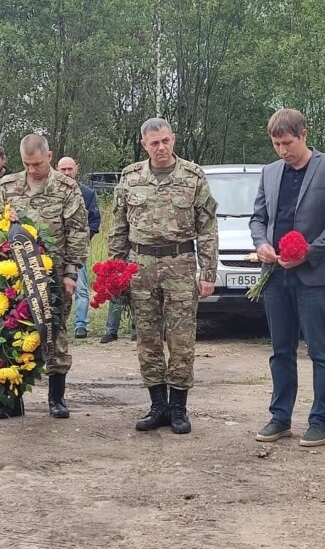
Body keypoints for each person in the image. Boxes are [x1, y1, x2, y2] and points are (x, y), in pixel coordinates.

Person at [249, 109, 325, 447]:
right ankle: (280, 417)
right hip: (275, 275)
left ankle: (321, 420)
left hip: (313, 275)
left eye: (288, 143)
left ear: (304, 134)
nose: (282, 150)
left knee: (321, 350)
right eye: (276, 144)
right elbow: (258, 217)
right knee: (280, 350)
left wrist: (308, 251)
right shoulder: (269, 172)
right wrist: (262, 243)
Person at [108, 117, 218, 435]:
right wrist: (115, 272)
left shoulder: (193, 175)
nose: (161, 147)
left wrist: (208, 271)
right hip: (140, 265)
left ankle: (179, 408)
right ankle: (158, 406)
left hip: (180, 262)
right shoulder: (130, 177)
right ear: (144, 144)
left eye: (165, 141)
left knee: (182, 338)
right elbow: (118, 228)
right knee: (148, 338)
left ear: (174, 139)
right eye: (154, 143)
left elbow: (207, 228)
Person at [0, 134, 88, 419]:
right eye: (27, 164)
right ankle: (11, 399)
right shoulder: (8, 186)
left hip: (53, 277)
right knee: (13, 333)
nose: (32, 170)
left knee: (53, 334)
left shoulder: (67, 188)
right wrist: (5, 219)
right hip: (14, 275)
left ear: (50, 156)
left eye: (37, 164)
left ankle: (56, 398)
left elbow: (78, 233)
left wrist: (71, 273)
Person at [56, 156, 101, 339]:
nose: (67, 173)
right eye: (63, 169)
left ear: (77, 169)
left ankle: (81, 324)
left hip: (78, 252)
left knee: (80, 289)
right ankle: (57, 327)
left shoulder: (87, 193)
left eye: (70, 169)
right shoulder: (51, 192)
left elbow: (95, 221)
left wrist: (80, 240)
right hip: (55, 251)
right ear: (57, 170)